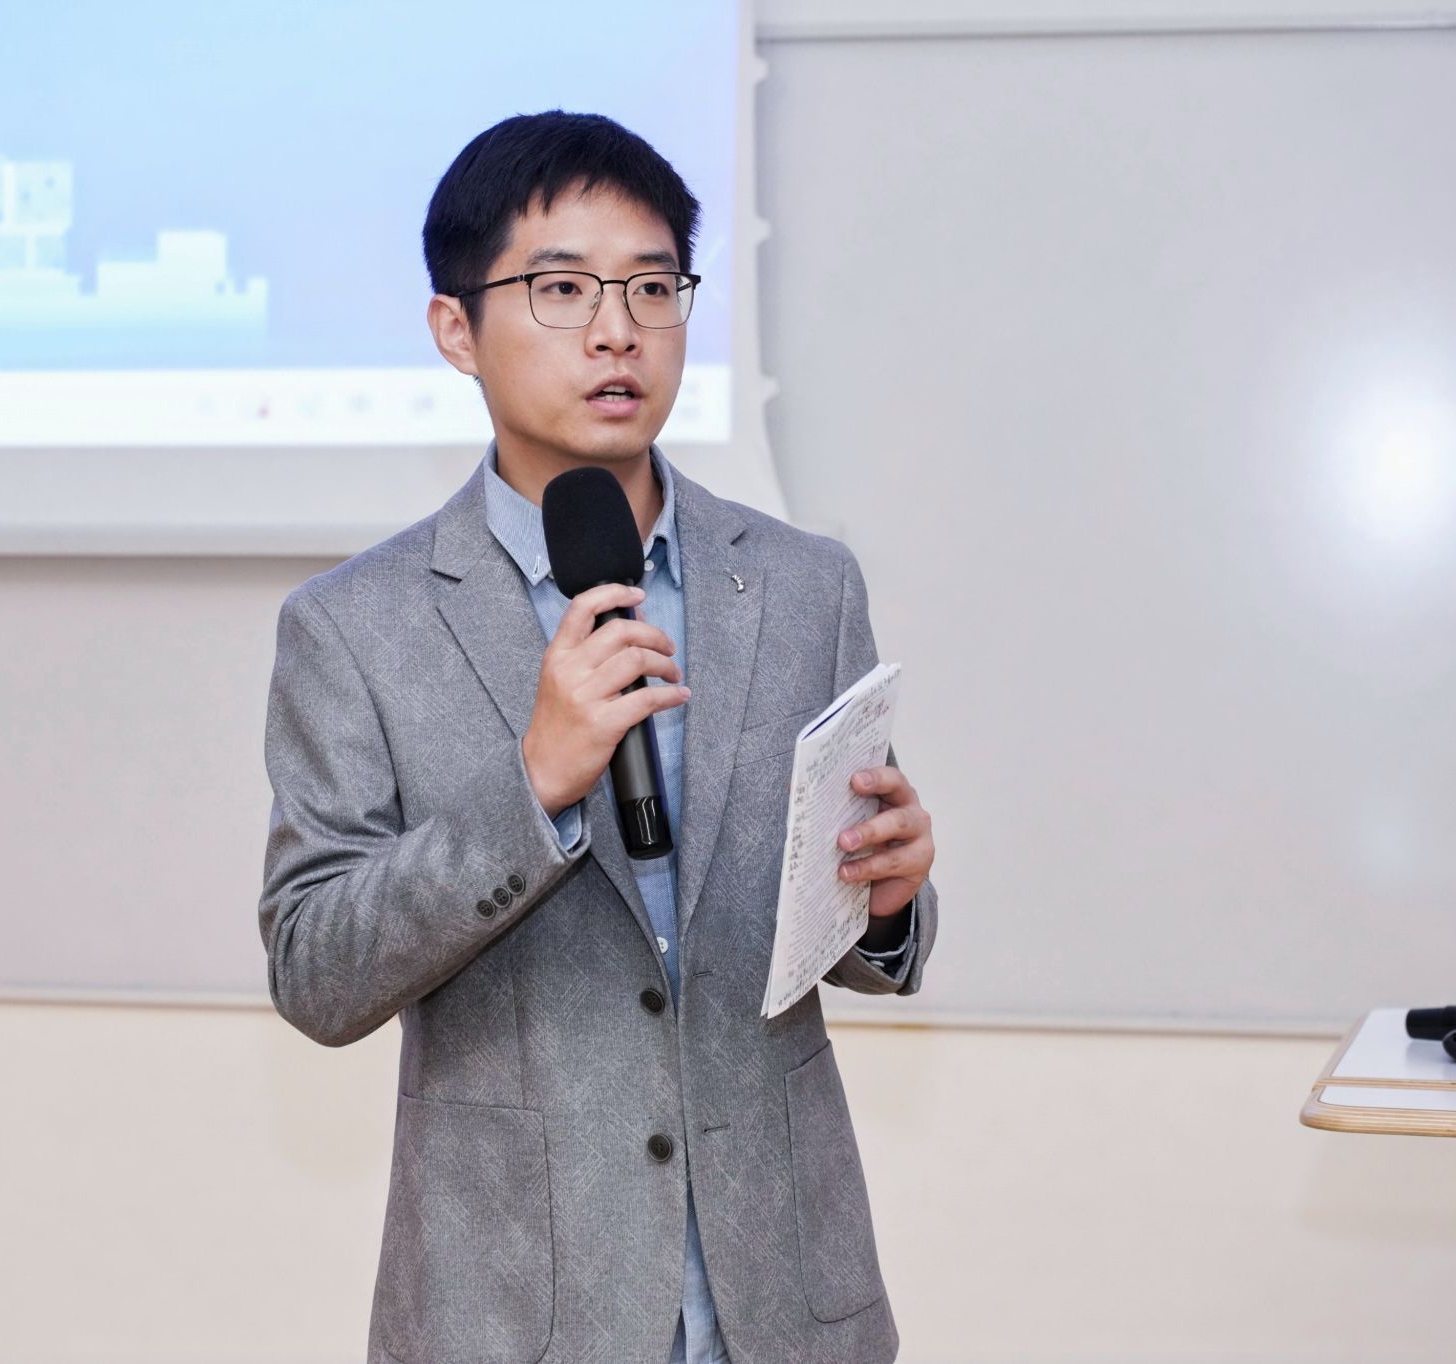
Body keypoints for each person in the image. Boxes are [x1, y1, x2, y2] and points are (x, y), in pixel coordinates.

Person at [258, 110, 939, 1364]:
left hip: (785, 1308)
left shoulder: (802, 587)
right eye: (561, 288)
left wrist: (885, 902)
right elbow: (316, 970)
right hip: (512, 1314)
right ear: (454, 329)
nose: (617, 329)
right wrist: (531, 787)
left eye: (651, 287)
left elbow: (832, 932)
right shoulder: (353, 627)